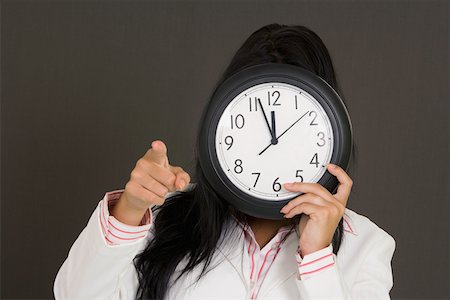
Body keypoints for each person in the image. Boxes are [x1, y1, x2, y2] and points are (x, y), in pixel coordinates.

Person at [54, 24, 395, 300]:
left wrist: (318, 257)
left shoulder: (364, 244)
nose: (275, 145)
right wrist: (128, 211)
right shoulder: (164, 215)